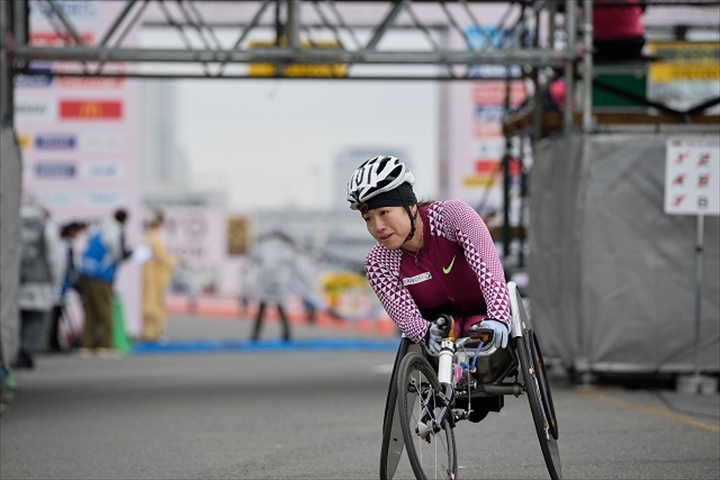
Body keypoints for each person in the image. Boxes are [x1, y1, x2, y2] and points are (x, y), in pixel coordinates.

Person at [346, 155, 511, 422]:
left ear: (410, 206)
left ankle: (475, 383)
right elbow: (406, 317)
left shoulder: (453, 216)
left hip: (484, 315)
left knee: (477, 330)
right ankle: (453, 382)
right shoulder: (378, 261)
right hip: (443, 327)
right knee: (448, 336)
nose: (377, 227)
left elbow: (489, 269)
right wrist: (426, 333)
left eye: (384, 213)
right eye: (368, 218)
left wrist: (501, 316)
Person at [15, 196, 64, 369]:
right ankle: (26, 351)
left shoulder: (12, 222)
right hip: (40, 282)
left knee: (14, 320)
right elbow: (54, 257)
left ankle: (12, 353)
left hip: (15, 282)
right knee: (35, 319)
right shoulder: (47, 226)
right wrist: (55, 280)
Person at [77, 209, 132, 355]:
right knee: (105, 310)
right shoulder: (116, 230)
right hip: (100, 275)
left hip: (86, 271)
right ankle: (104, 345)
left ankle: (86, 345)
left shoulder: (100, 227)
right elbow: (117, 253)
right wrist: (129, 254)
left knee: (90, 310)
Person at [248, 229, 303, 342]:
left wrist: (255, 242)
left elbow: (254, 257)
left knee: (262, 308)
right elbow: (295, 263)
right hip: (280, 282)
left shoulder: (264, 245)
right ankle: (286, 335)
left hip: (266, 282)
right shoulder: (288, 247)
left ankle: (255, 335)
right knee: (281, 308)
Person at [48, 221, 86, 352]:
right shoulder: (64, 245)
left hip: (63, 285)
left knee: (57, 315)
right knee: (55, 316)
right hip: (60, 284)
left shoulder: (65, 245)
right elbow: (67, 268)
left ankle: (54, 342)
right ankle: (52, 342)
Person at [140, 209, 178, 342]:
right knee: (153, 303)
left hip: (147, 275)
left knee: (148, 302)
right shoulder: (154, 237)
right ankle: (152, 332)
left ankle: (148, 331)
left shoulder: (146, 236)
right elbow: (162, 257)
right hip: (153, 276)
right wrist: (175, 261)